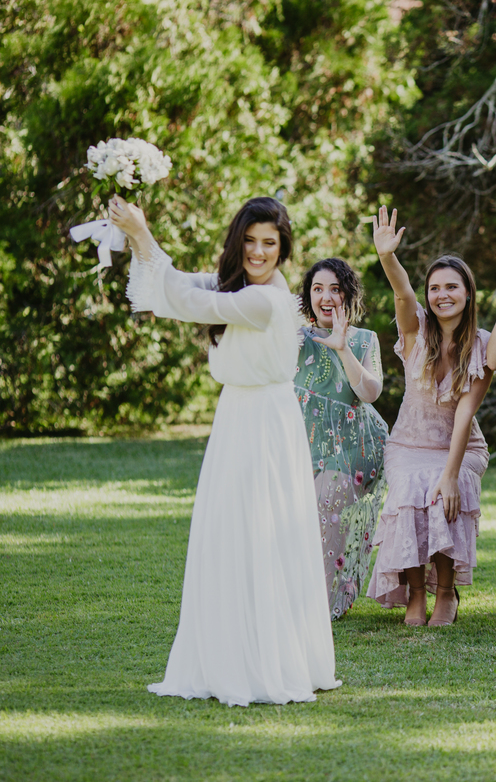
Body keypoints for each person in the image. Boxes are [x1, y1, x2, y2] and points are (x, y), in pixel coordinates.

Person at [109, 195, 340, 706]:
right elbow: (182, 284)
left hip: (264, 424)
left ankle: (265, 662)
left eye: (269, 243)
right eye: (250, 241)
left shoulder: (266, 300)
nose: (258, 251)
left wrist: (143, 234)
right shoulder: (239, 285)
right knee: (230, 535)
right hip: (238, 415)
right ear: (238, 241)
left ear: (283, 249)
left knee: (258, 534)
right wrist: (137, 236)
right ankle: (235, 652)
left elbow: (193, 305)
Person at [364, 207, 492, 627]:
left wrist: (451, 474)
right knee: (409, 487)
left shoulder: (482, 345)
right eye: (435, 288)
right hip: (408, 443)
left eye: (451, 286)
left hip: (461, 447)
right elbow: (403, 293)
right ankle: (417, 593)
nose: (442, 295)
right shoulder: (415, 330)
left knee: (439, 491)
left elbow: (466, 414)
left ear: (468, 293)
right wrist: (387, 257)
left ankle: (446, 591)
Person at [294, 258, 389, 620]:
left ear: (347, 295)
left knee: (326, 512)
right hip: (302, 447)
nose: (326, 297)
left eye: (335, 289)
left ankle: (322, 607)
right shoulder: (295, 338)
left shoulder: (364, 339)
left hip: (352, 448)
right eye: (318, 289)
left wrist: (342, 347)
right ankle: (302, 597)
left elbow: (370, 392)